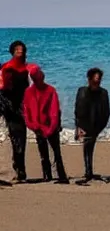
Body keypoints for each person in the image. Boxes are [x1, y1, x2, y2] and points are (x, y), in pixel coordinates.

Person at [22, 65, 69, 184]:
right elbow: (26, 111)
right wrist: (32, 125)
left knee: (55, 152)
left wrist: (52, 127)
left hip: (49, 126)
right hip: (39, 127)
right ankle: (48, 175)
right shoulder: (29, 92)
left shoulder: (50, 90)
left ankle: (60, 175)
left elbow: (54, 111)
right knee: (44, 152)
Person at [0, 41, 30, 182]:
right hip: (8, 105)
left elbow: (27, 89)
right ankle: (19, 170)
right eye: (17, 49)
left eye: (22, 49)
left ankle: (20, 170)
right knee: (16, 137)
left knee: (20, 138)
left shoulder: (25, 69)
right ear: (12, 51)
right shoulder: (7, 67)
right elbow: (3, 87)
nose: (20, 51)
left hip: (20, 107)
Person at [74, 68, 110, 182]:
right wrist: (78, 126)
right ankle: (88, 171)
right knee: (87, 147)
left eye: (99, 80)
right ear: (89, 80)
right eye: (95, 80)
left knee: (90, 147)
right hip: (84, 125)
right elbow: (77, 110)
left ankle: (89, 171)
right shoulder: (82, 91)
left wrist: (100, 128)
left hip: (97, 126)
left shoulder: (103, 93)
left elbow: (107, 113)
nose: (97, 82)